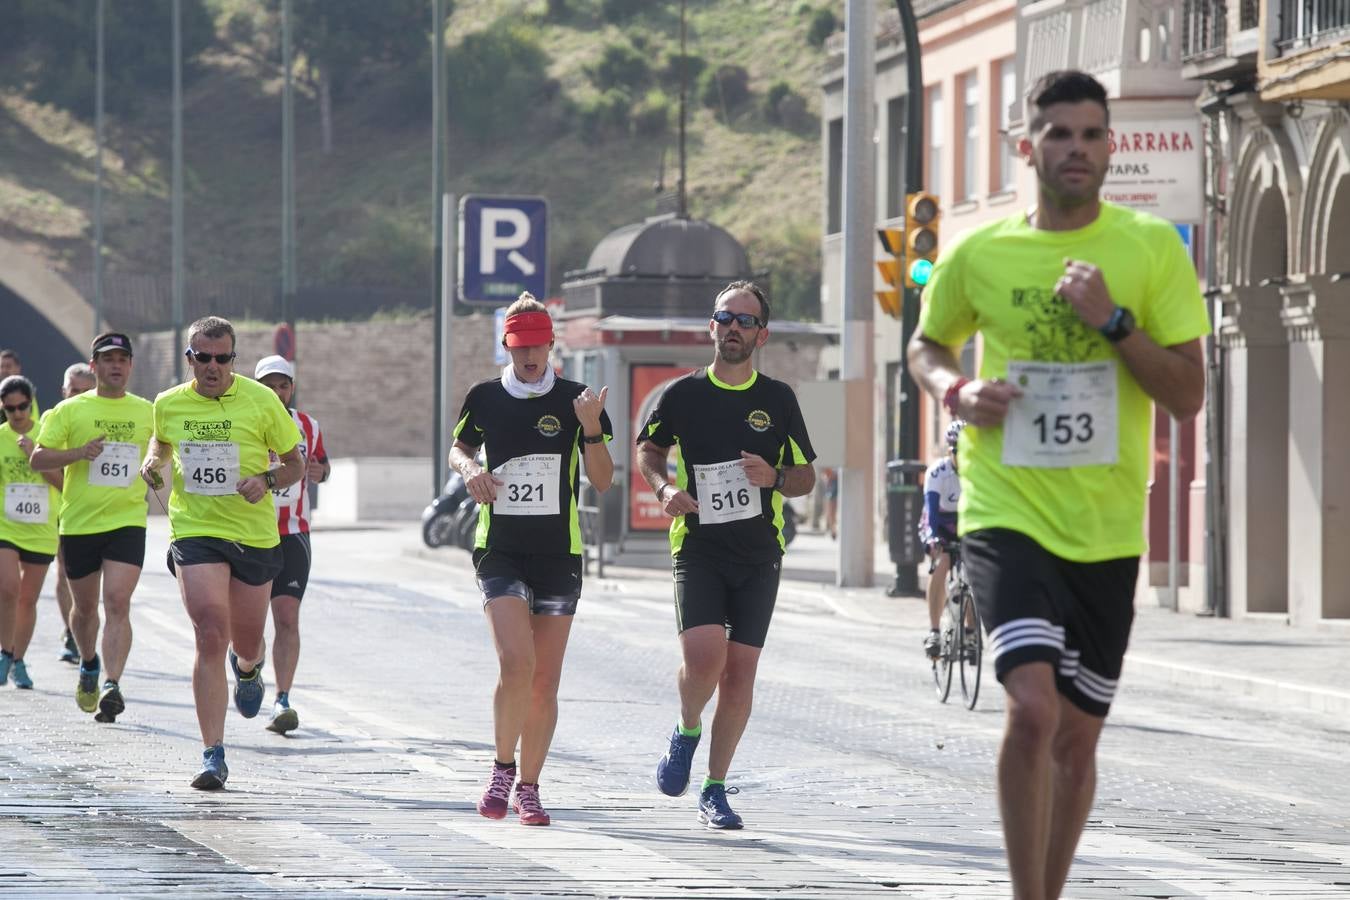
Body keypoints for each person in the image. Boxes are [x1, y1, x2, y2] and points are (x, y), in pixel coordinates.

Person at [906, 70, 1208, 898]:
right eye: (1057, 133)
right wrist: (957, 392)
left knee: (1077, 739)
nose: (1074, 148)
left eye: (1089, 134)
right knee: (1032, 708)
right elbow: (928, 347)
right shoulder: (981, 253)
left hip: (1107, 528)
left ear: (1110, 145)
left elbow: (1187, 393)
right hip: (1007, 508)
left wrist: (1113, 323)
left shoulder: (1150, 250)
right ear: (1024, 146)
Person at [636, 281, 816, 830]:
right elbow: (649, 449)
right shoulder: (683, 394)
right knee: (703, 658)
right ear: (711, 327)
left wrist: (776, 476)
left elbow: (808, 475)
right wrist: (664, 490)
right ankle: (687, 728)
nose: (734, 326)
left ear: (761, 334)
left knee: (740, 675)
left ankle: (715, 788)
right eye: (725, 317)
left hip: (760, 552)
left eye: (745, 320)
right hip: (699, 545)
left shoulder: (779, 398)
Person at [450, 292, 613, 827]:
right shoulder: (484, 396)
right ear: (507, 345)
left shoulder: (577, 398)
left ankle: (530, 786)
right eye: (520, 347)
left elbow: (605, 479)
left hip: (558, 552)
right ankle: (501, 768)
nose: (529, 357)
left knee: (544, 680)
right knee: (515, 662)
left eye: (538, 346)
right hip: (499, 546)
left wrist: (590, 426)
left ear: (551, 344)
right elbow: (458, 448)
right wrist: (469, 469)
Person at [141, 317, 304, 789]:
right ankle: (213, 752)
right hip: (195, 529)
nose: (212, 367)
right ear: (189, 358)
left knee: (247, 641)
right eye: (202, 358)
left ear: (233, 358)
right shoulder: (169, 403)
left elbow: (296, 463)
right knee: (211, 631)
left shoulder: (262, 400)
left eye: (223, 358)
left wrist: (267, 480)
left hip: (253, 535)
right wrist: (155, 461)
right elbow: (161, 440)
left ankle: (248, 668)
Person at [31, 336, 154, 722]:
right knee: (85, 610)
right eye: (107, 360)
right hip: (80, 522)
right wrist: (78, 453)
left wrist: (155, 466)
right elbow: (38, 459)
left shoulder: (149, 411)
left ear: (131, 366)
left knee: (117, 602)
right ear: (94, 365)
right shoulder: (69, 410)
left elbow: (165, 449)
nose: (115, 366)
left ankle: (112, 683)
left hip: (127, 521)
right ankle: (88, 661)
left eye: (122, 359)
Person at [253, 355, 330, 735]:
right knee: (248, 625)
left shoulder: (307, 425)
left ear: (291, 388)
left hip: (294, 534)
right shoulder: (245, 419)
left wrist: (319, 471)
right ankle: (248, 668)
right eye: (269, 385)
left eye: (283, 385)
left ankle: (282, 698)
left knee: (286, 618)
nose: (277, 392)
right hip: (250, 532)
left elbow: (321, 465)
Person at [0, 376, 62, 690]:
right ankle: (4, 652)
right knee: (8, 589)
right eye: (10, 409)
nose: (18, 414)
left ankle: (17, 659)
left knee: (27, 599)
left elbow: (64, 483)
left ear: (31, 402)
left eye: (23, 406)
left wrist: (32, 457)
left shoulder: (46, 435)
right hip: (6, 527)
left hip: (41, 529)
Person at [53, 362, 97, 665]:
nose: (77, 396)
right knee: (63, 572)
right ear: (63, 391)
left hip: (97, 508)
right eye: (73, 391)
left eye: (85, 390)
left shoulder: (100, 417)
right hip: (60, 507)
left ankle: (85, 629)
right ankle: (71, 631)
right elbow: (42, 464)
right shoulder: (55, 418)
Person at [918, 419, 964, 659]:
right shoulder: (938, 472)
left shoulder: (978, 471)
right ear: (950, 450)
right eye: (960, 452)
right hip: (940, 523)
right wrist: (934, 539)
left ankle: (971, 631)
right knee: (942, 563)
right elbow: (931, 511)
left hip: (966, 523)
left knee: (974, 570)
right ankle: (935, 630)